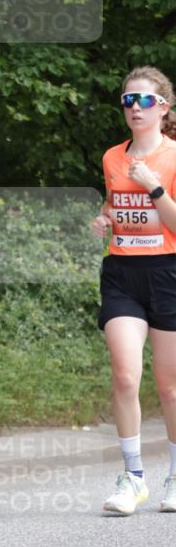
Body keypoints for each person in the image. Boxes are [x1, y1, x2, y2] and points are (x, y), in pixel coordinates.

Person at [91, 66, 176, 515]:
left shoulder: (175, 157)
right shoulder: (112, 157)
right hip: (123, 273)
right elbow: (114, 202)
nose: (134, 109)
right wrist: (105, 218)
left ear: (163, 107)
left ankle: (175, 477)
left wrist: (153, 186)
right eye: (128, 101)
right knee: (125, 375)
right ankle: (133, 477)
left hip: (169, 273)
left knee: (170, 388)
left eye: (143, 100)